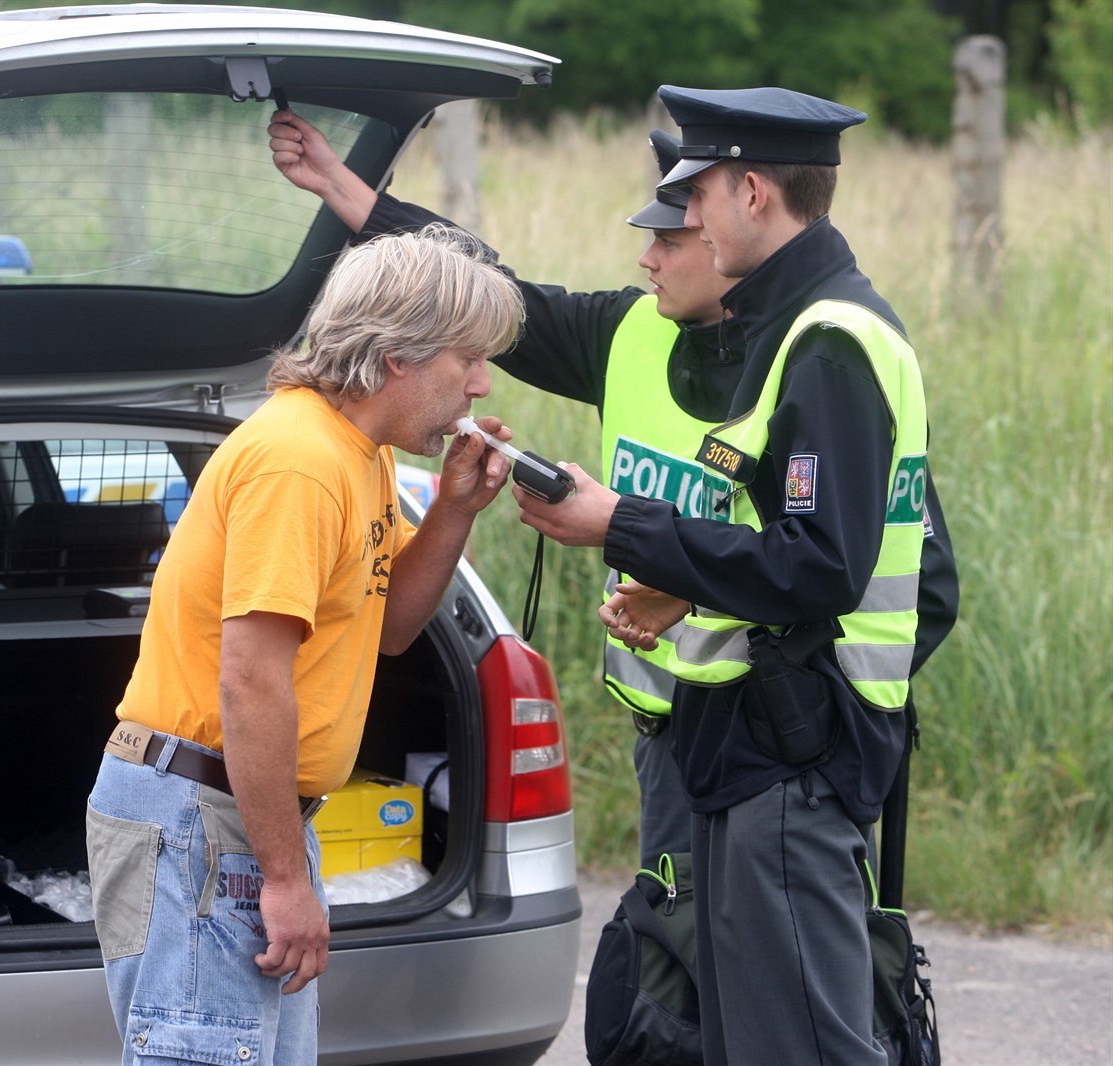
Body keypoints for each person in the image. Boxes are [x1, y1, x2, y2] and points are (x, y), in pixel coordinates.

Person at [515, 85, 959, 1066]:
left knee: (798, 1047)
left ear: (752, 192)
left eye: (698, 194)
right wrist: (682, 584)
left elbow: (821, 566)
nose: (687, 219)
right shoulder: (792, 324)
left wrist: (619, 524)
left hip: (795, 751)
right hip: (753, 746)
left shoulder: (828, 341)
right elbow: (791, 541)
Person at [85, 225, 524, 1065]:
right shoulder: (300, 462)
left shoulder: (358, 455)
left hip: (242, 815)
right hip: (199, 820)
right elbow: (250, 681)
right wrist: (285, 879)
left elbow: (390, 625)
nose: (482, 383)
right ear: (398, 355)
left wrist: (454, 511)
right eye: (468, 358)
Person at [268, 112, 741, 866]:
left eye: (672, 240)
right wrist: (344, 190)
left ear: (727, 239)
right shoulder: (630, 331)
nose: (646, 257)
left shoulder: (814, 363)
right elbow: (484, 288)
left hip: (775, 741)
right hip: (667, 735)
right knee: (668, 930)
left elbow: (864, 569)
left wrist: (630, 537)